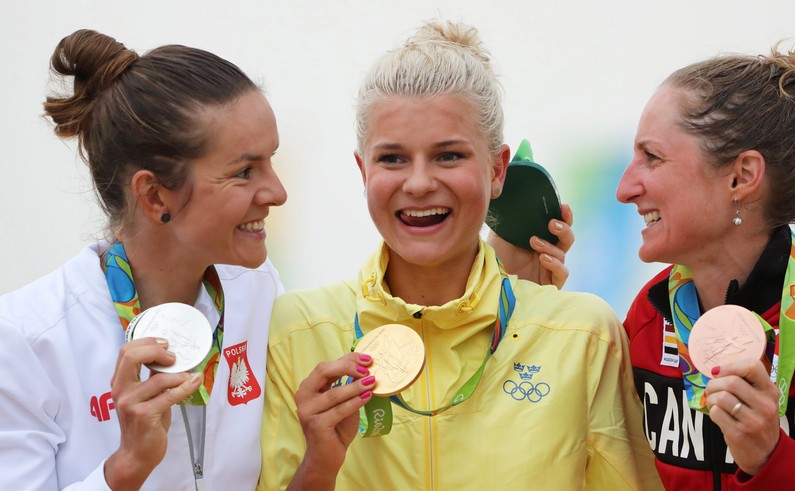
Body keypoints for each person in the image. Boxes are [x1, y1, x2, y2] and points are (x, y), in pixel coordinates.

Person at [0, 29, 572, 491]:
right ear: (154, 196)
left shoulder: (256, 294)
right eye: (245, 171)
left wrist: (501, 288)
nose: (277, 192)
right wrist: (124, 471)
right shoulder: (25, 339)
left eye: (272, 161)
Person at [258, 20, 660, 491]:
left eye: (448, 156)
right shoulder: (299, 329)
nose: (420, 182)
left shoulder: (581, 334)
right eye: (392, 158)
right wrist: (318, 469)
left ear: (497, 170)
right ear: (362, 170)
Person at [616, 30, 795, 489]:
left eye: (651, 157)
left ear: (742, 176)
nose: (625, 188)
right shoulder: (647, 319)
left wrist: (776, 460)